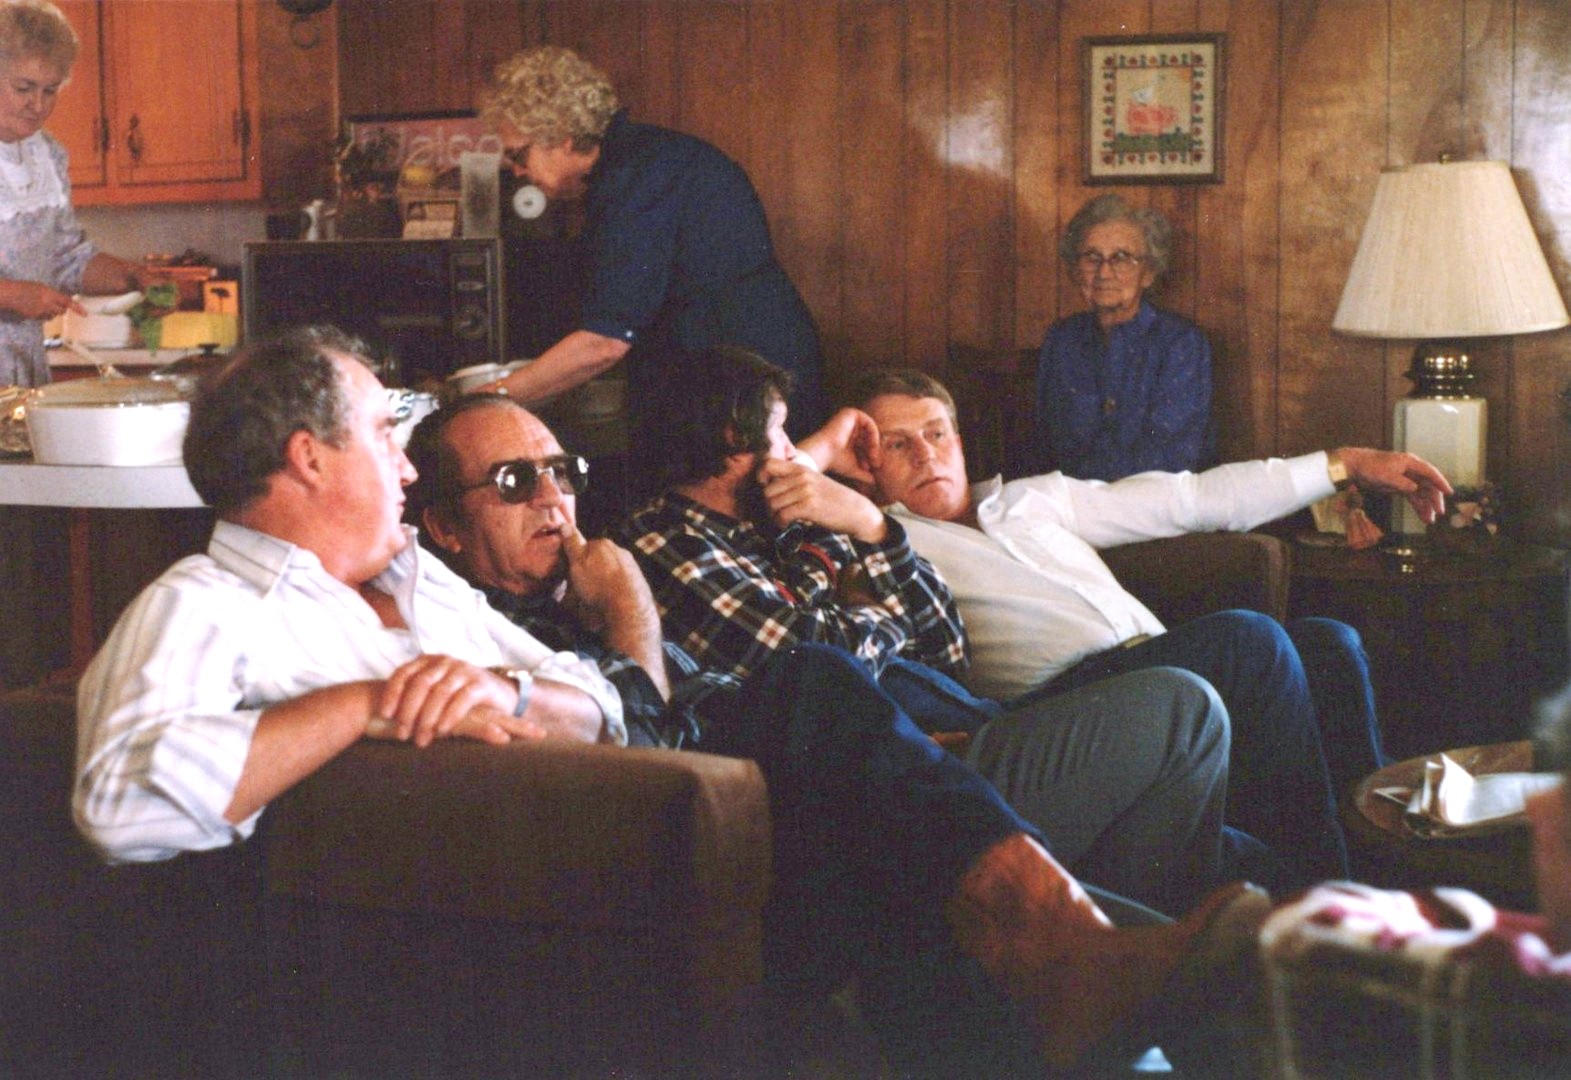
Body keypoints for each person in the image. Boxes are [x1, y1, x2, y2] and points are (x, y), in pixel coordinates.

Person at [71, 326, 1265, 1077]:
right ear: (307, 457)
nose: (398, 455)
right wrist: (365, 706)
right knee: (813, 692)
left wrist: (515, 696)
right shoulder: (203, 605)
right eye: (384, 433)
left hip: (647, 840)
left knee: (1049, 942)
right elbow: (122, 804)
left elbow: (591, 696)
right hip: (565, 906)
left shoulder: (422, 584)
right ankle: (1091, 962)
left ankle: (1120, 968)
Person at [844, 367, 1456, 886]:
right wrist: (837, 474)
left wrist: (1346, 464)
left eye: (936, 433)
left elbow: (1190, 499)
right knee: (1251, 641)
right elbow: (795, 484)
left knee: (1329, 644)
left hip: (1152, 660)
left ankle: (1389, 876)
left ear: (958, 440)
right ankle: (1328, 901)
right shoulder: (873, 537)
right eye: (897, 444)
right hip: (1060, 708)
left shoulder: (1029, 500)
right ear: (864, 465)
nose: (926, 454)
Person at [476, 46, 830, 462]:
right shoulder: (644, 159)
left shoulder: (636, 180)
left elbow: (605, 342)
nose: (517, 171)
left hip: (754, 386)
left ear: (560, 136)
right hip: (750, 372)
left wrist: (486, 400)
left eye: (519, 154)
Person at [0, 0, 152, 387]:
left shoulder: (48, 155)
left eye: (50, 90)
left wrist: (132, 276)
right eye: (24, 88)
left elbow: (66, 258)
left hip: (21, 367)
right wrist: (9, 294)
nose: (38, 104)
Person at [1029, 193, 1213, 481]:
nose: (1104, 272)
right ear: (1077, 270)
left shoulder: (1181, 344)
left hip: (1151, 498)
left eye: (1121, 258)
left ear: (1148, 273)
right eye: (1092, 257)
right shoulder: (1063, 339)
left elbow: (1173, 455)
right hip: (1071, 497)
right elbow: (1047, 441)